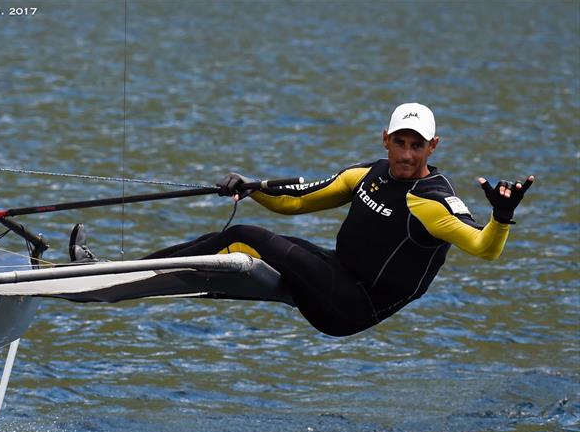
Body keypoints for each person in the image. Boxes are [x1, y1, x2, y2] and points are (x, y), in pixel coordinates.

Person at [72, 103, 535, 337]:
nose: (407, 155)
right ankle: (112, 278)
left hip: (354, 307)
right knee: (237, 253)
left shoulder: (432, 200)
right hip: (336, 276)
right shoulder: (367, 174)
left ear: (433, 147)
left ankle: (106, 283)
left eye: (418, 146)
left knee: (244, 236)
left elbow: (483, 247)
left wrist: (502, 215)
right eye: (400, 143)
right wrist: (253, 187)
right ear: (386, 139)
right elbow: (298, 199)